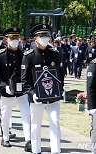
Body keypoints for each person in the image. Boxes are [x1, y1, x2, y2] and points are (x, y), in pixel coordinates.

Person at [21, 24, 64, 154]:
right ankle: (36, 150)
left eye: (47, 35)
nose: (45, 38)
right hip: (37, 99)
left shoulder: (54, 53)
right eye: (41, 35)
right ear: (35, 38)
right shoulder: (29, 56)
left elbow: (59, 74)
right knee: (35, 125)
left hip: (53, 98)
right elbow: (24, 80)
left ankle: (56, 150)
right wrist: (32, 93)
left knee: (55, 123)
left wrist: (61, 89)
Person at [0, 27, 31, 151]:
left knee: (26, 114)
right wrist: (5, 86)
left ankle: (28, 140)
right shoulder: (0, 55)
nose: (15, 40)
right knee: (6, 115)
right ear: (6, 39)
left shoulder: (23, 54)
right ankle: (5, 137)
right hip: (6, 91)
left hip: (22, 91)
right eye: (12, 37)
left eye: (16, 37)